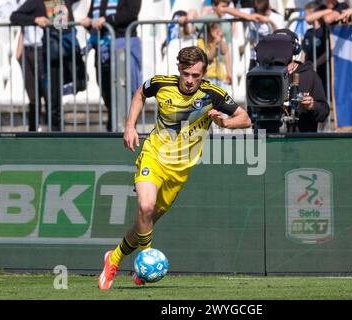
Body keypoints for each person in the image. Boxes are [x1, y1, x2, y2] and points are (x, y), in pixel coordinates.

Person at [98, 46, 252, 290]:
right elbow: (139, 94)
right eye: (186, 74)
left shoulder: (213, 93)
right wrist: (129, 125)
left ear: (203, 74)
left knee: (145, 222)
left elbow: (245, 119)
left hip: (180, 171)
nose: (190, 81)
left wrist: (226, 122)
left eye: (196, 76)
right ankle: (145, 260)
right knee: (145, 206)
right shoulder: (161, 84)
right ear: (179, 69)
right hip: (154, 156)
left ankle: (114, 258)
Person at [9, 0, 78, 132]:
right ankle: (34, 130)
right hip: (29, 52)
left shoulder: (59, 3)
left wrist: (49, 21)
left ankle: (56, 131)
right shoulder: (34, 2)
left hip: (47, 51)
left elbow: (62, 27)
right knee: (33, 96)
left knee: (51, 95)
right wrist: (35, 19)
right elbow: (15, 17)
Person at [81, 0, 142, 132]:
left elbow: (131, 13)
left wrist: (107, 20)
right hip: (102, 50)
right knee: (106, 90)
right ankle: (113, 128)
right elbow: (94, 19)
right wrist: (88, 22)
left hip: (123, 48)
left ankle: (126, 128)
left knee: (125, 91)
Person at [273, 29, 329, 132]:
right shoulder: (264, 75)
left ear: (295, 49)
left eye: (283, 45)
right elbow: (252, 113)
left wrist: (312, 105)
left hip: (301, 141)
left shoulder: (309, 75)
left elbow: (324, 112)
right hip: (271, 141)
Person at [247, 0, 285, 70]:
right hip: (254, 58)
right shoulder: (252, 15)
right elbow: (236, 12)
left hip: (272, 58)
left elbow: (280, 37)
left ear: (268, 7)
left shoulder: (278, 18)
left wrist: (271, 22)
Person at [197, 22, 232, 90]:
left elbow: (225, 51)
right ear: (207, 32)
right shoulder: (200, 42)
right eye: (214, 30)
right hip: (208, 78)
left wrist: (220, 40)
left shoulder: (219, 41)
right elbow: (209, 59)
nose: (216, 33)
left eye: (218, 30)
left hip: (220, 78)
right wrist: (216, 43)